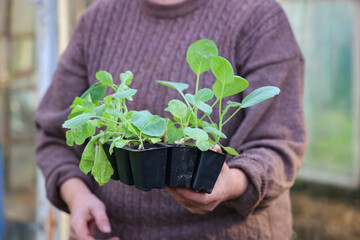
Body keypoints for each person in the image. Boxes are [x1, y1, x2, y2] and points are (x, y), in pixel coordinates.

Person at [35, 0, 306, 239]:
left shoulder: (259, 17)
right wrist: (78, 198)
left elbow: (279, 146)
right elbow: (54, 135)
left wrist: (229, 183)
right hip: (113, 232)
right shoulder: (98, 19)